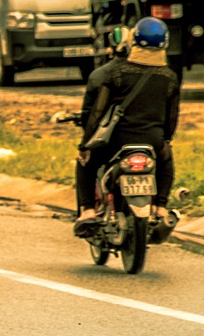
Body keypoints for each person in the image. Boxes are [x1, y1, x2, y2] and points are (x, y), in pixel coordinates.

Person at [74, 17, 181, 237]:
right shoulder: (170, 78)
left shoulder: (116, 74)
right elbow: (171, 118)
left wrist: (86, 144)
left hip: (116, 141)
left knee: (85, 163)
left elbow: (97, 113)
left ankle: (86, 211)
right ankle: (160, 208)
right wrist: (165, 140)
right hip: (153, 140)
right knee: (166, 162)